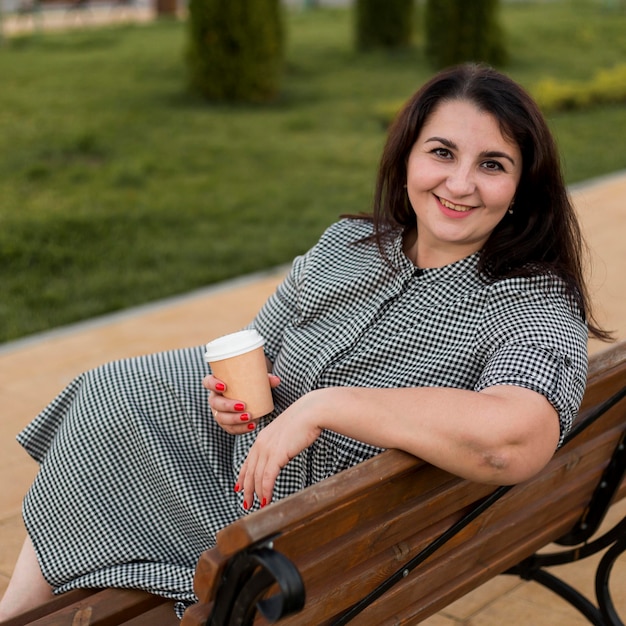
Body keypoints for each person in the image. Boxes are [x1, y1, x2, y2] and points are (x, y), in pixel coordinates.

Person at [0, 63, 610, 621]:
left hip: (322, 541)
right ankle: (18, 613)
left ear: (521, 190)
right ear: (406, 160)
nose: (459, 183)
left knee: (108, 449)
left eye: (492, 165)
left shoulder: (532, 301)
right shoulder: (349, 245)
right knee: (112, 399)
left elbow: (518, 438)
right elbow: (255, 347)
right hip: (265, 483)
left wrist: (330, 404)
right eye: (442, 153)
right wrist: (227, 394)